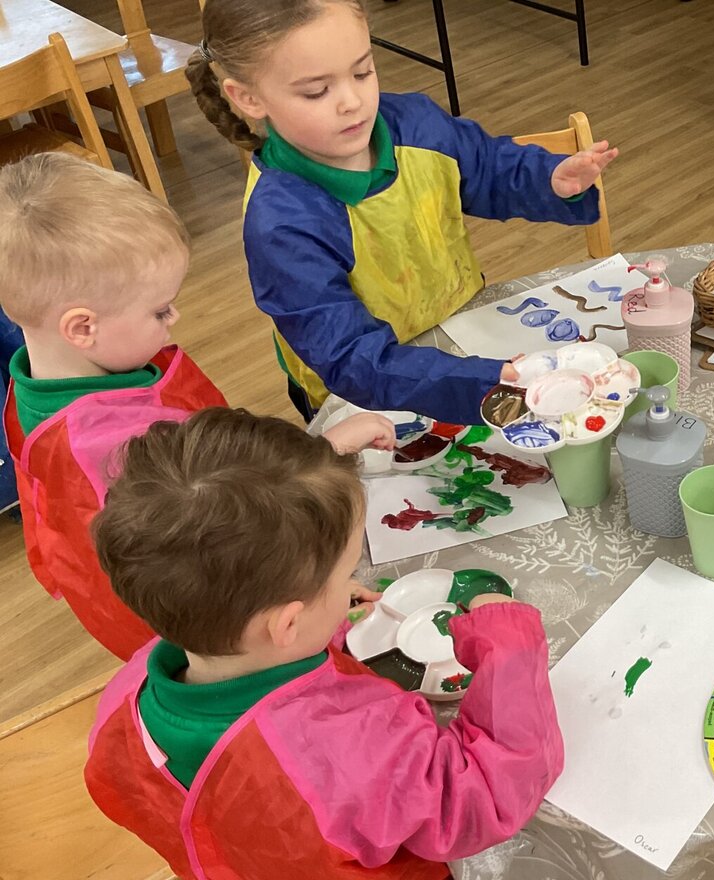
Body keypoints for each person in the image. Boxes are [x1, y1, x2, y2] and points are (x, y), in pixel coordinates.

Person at [85, 407, 562, 878]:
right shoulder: (350, 750)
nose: (350, 581)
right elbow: (482, 798)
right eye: (345, 572)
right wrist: (510, 651)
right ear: (286, 624)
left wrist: (326, 617)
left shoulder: (122, 697)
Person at [0, 154, 393, 660]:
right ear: (82, 327)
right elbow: (227, 535)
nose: (176, 316)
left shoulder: (42, 372)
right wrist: (323, 453)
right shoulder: (106, 447)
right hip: (214, 625)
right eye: (160, 309)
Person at [186, 0, 619, 423]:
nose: (352, 101)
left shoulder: (416, 122)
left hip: (460, 327)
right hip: (366, 394)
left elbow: (486, 166)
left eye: (363, 71)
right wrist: (477, 380)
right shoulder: (282, 224)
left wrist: (548, 177)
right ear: (248, 98)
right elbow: (352, 360)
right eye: (317, 91)